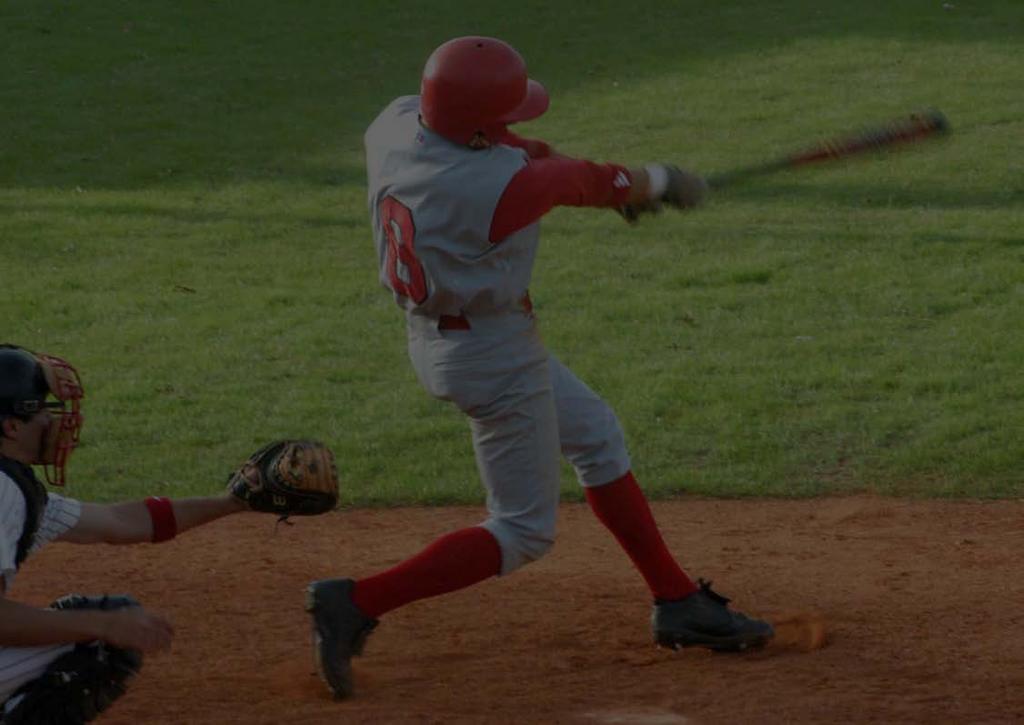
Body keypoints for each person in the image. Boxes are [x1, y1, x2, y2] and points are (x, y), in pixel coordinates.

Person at [306, 36, 774, 700]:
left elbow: (529, 162)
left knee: (597, 436)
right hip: (492, 355)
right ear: (480, 127)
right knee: (521, 529)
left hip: (442, 335)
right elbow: (568, 179)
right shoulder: (496, 187)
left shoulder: (394, 123)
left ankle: (676, 599)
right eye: (505, 118)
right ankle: (355, 599)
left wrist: (616, 189)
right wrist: (661, 182)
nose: (517, 126)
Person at [0, 344, 250, 723]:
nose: (56, 421)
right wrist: (104, 625)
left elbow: (121, 522)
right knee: (101, 637)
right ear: (11, 425)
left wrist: (233, 502)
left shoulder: (13, 484)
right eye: (44, 409)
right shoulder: (2, 492)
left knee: (100, 621)